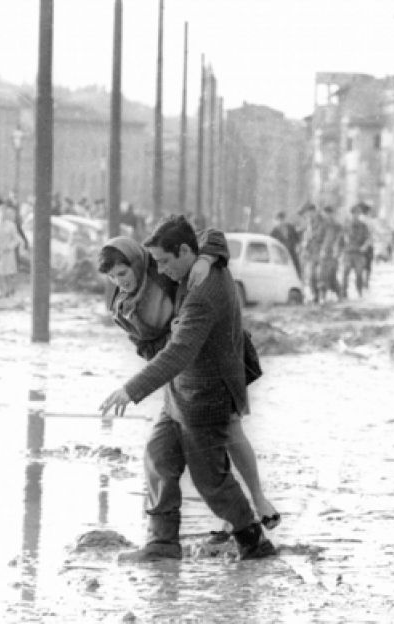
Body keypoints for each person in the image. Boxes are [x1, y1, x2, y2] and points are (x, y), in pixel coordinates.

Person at [98, 219, 278, 562]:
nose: (160, 270)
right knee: (159, 455)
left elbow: (179, 350)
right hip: (179, 389)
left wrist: (130, 390)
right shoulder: (175, 270)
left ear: (184, 253)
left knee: (210, 477)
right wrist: (206, 256)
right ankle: (161, 544)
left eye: (165, 262)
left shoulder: (202, 292)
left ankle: (254, 543)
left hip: (205, 392)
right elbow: (208, 235)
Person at [339, 204, 372, 299]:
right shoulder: (346, 225)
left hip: (359, 253)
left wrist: (364, 246)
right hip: (348, 253)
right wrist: (340, 251)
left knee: (359, 274)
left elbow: (368, 238)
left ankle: (359, 291)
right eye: (354, 213)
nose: (356, 215)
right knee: (345, 273)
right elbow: (340, 239)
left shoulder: (363, 226)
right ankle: (344, 292)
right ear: (352, 214)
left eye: (358, 214)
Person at [0, 204, 22, 297]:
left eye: (4, 212)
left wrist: (9, 246)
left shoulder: (11, 225)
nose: (2, 214)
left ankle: (8, 289)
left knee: (7, 273)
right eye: (0, 212)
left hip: (7, 252)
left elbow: (17, 239)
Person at [298, 203, 325, 303]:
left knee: (319, 275)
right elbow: (304, 235)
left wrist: (310, 237)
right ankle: (315, 296)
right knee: (310, 275)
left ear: (312, 211)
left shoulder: (321, 221)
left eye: (308, 213)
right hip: (310, 252)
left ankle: (320, 296)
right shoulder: (308, 222)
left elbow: (320, 234)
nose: (307, 215)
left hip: (319, 251)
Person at [316, 206, 344, 302]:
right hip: (324, 253)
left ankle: (339, 293)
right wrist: (321, 250)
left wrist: (339, 253)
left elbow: (342, 241)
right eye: (326, 214)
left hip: (334, 254)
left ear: (332, 214)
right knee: (323, 275)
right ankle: (323, 297)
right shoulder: (322, 225)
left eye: (329, 213)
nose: (328, 216)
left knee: (331, 275)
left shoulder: (338, 226)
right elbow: (319, 239)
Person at [269, 210, 301, 277]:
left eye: (282, 219)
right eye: (279, 220)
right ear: (277, 220)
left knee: (296, 268)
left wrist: (297, 246)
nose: (281, 221)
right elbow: (271, 244)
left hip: (292, 252)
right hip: (281, 255)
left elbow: (297, 239)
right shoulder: (274, 232)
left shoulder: (290, 228)